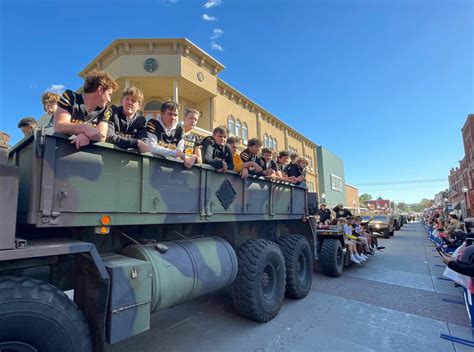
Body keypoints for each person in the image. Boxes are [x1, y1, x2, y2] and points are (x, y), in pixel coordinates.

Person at [54, 70, 119, 149]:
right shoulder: (70, 97)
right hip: (60, 151)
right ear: (100, 90)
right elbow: (59, 126)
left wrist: (84, 135)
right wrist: (84, 128)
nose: (109, 99)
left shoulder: (105, 111)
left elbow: (101, 136)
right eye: (109, 94)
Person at [107, 87, 148, 153]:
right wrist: (136, 143)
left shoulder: (141, 121)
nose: (129, 102)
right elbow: (110, 137)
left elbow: (144, 144)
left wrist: (121, 141)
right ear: (122, 101)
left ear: (139, 106)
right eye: (127, 99)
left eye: (133, 100)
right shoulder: (113, 113)